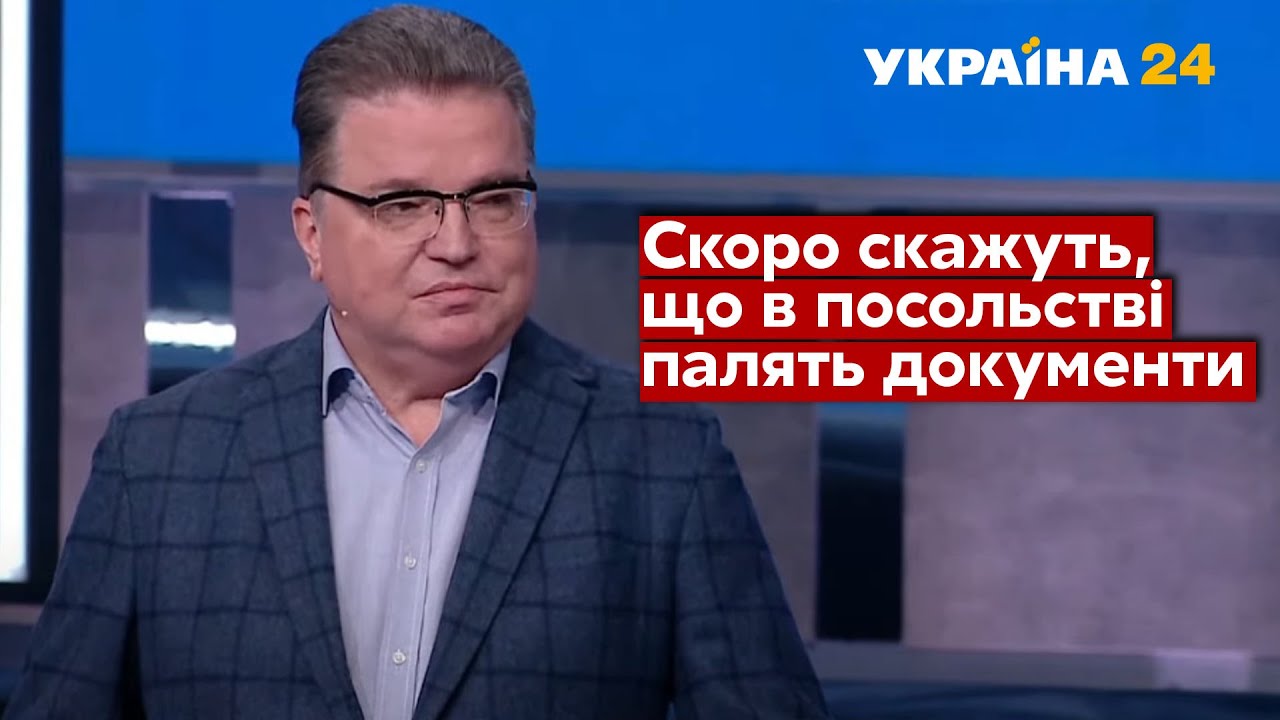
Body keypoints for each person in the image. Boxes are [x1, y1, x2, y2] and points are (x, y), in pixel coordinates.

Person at [5, 5, 830, 720]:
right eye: (403, 205)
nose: (457, 242)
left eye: (494, 198)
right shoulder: (159, 461)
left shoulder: (664, 460)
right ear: (312, 235)